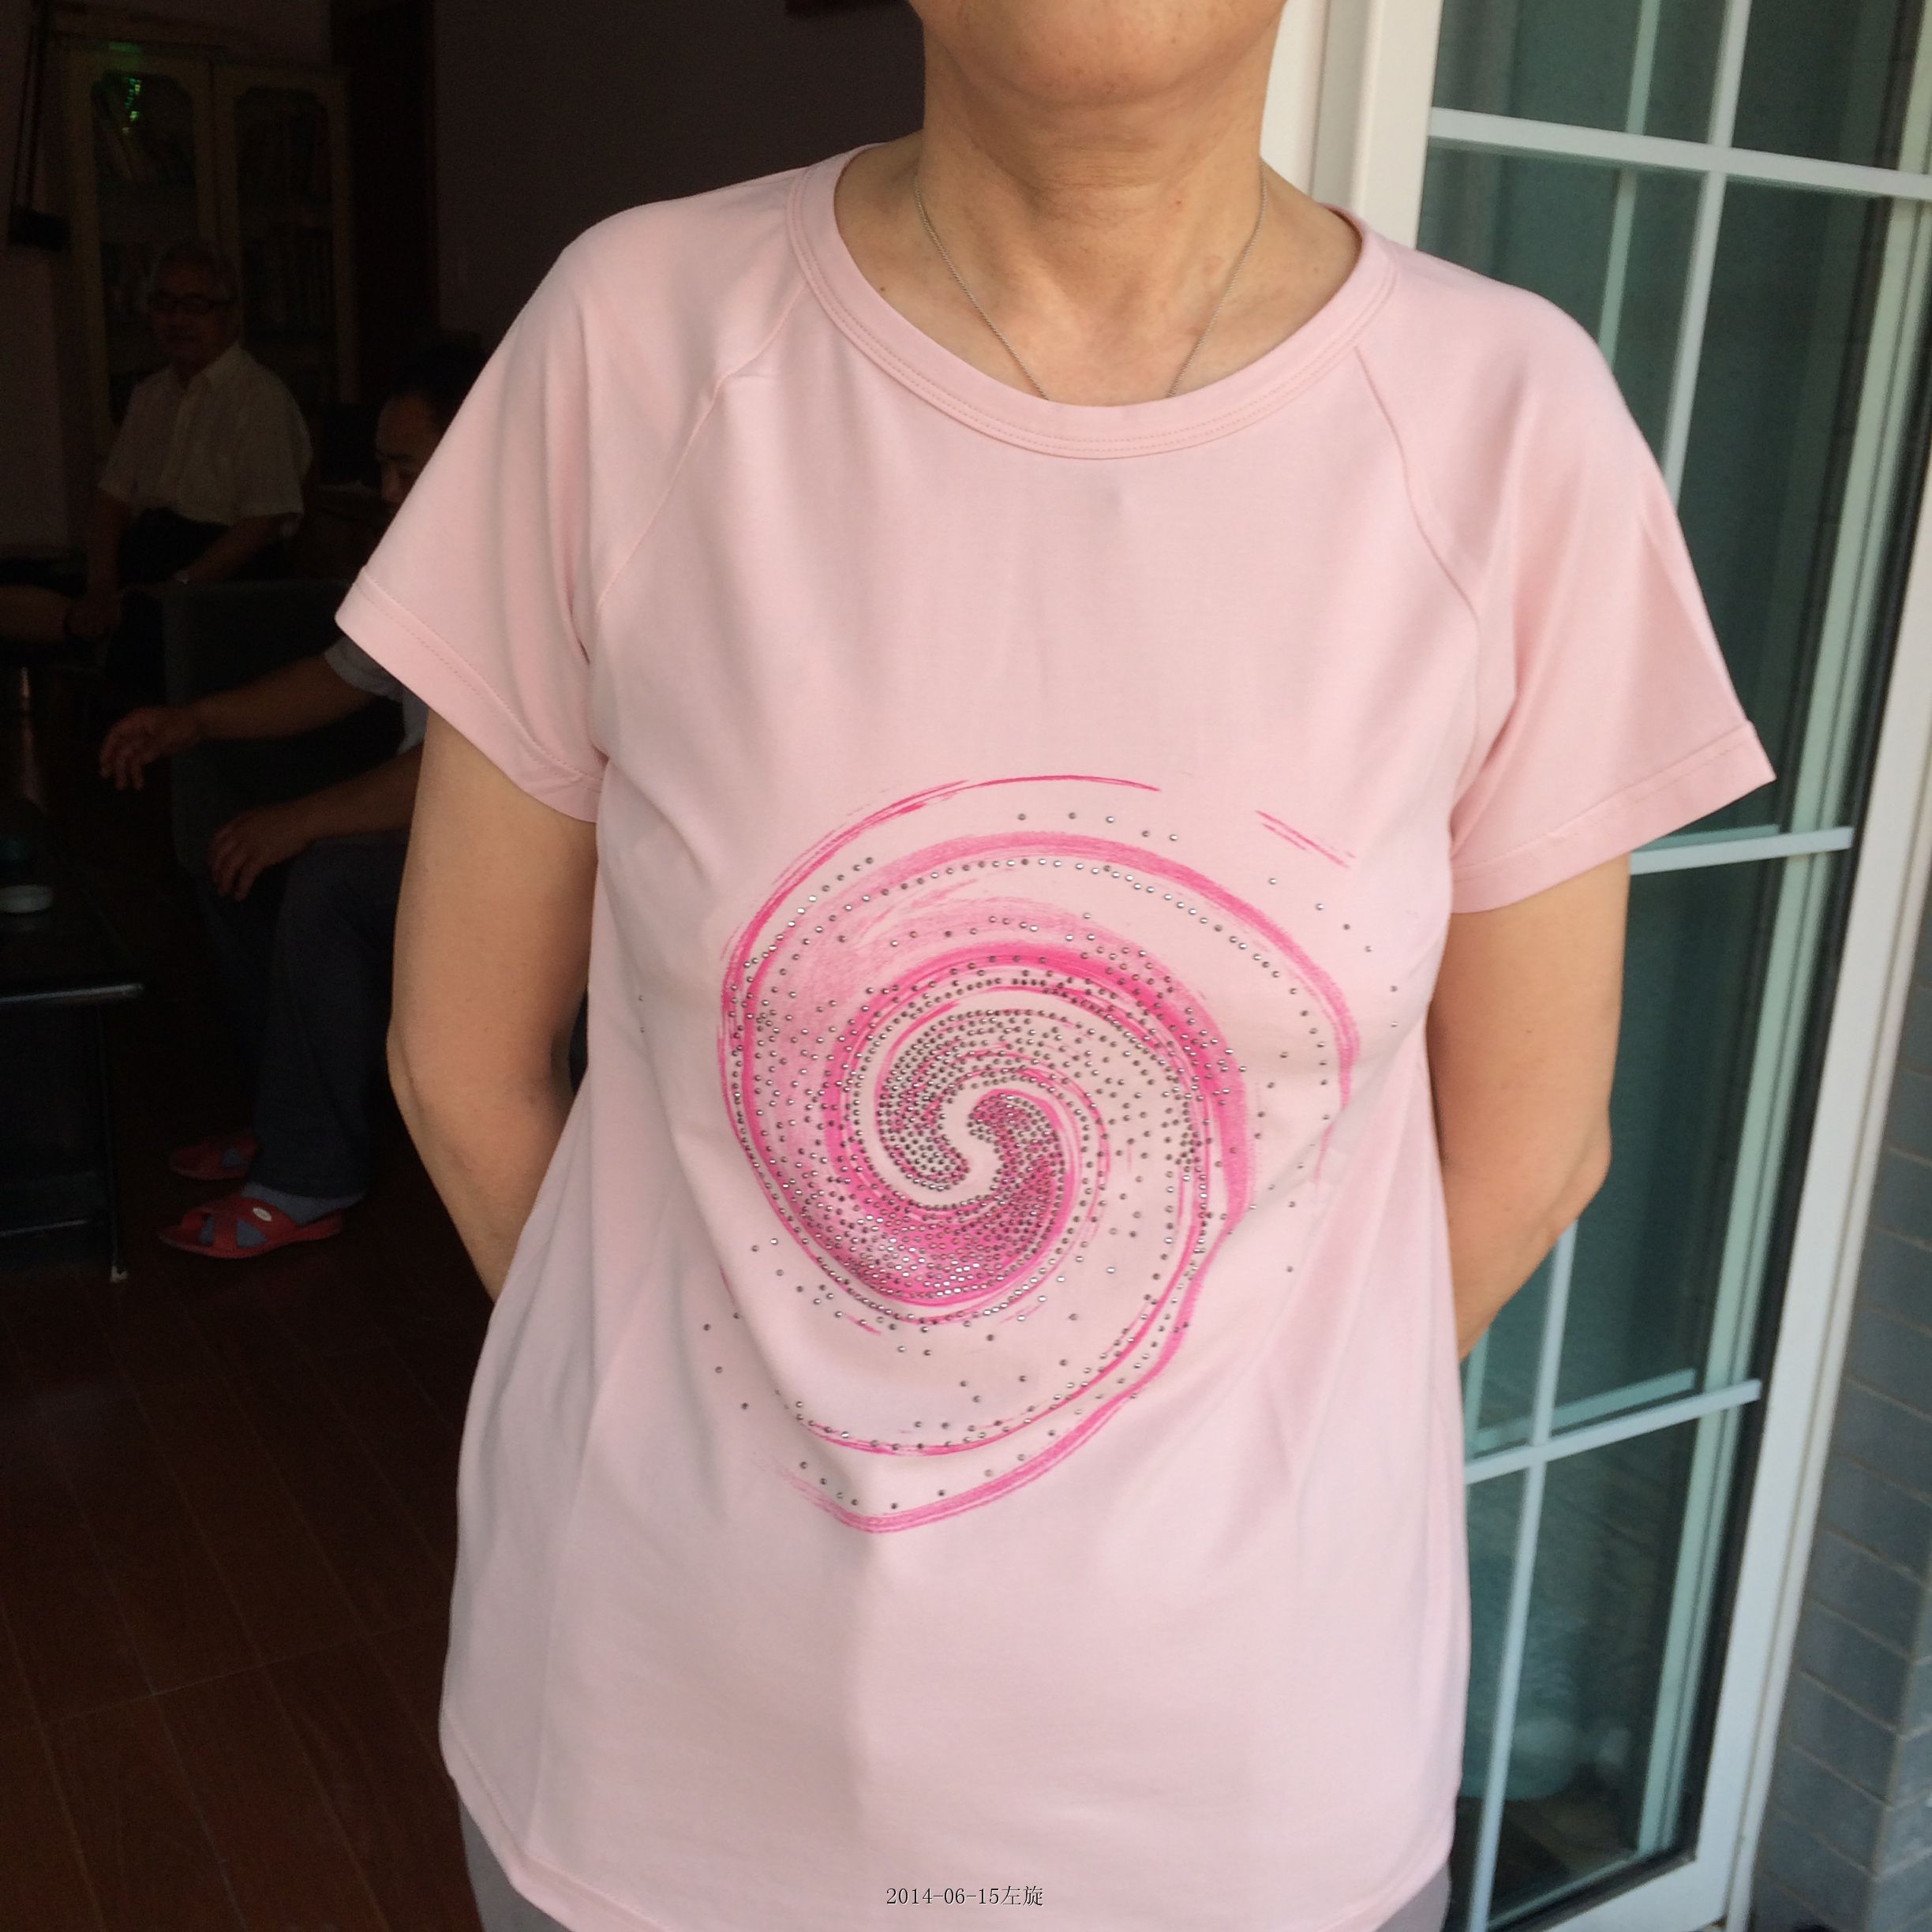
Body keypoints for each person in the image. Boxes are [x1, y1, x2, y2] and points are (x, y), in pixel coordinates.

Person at [332, 6, 1778, 1929]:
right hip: (656, 1760)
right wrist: (684, 1437)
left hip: (1245, 1801)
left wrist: (1180, 1460)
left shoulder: (1509, 424)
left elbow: (1528, 1154)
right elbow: (456, 1058)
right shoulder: (634, 338)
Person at [98, 339, 481, 1257]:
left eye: (405, 469)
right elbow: (341, 676)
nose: (386, 491)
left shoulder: (531, 578)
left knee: (329, 879)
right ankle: (286, 1116)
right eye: (383, 467)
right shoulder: (422, 563)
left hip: (512, 850)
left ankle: (307, 1178)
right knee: (238, 860)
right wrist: (192, 721)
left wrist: (302, 821)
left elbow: (475, 775)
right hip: (437, 823)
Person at [0, 238, 312, 706]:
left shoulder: (259, 397)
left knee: (142, 627)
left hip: (222, 568)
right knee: (21, 580)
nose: (177, 320)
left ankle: (98, 646)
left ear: (230, 315)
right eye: (164, 304)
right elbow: (111, 501)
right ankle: (91, 630)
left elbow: (262, 524)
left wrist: (177, 587)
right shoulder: (151, 395)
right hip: (147, 549)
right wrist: (100, 586)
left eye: (195, 305)